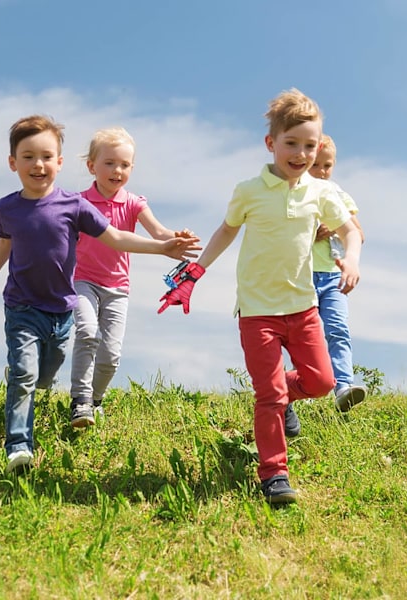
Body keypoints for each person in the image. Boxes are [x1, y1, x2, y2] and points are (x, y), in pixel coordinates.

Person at [0, 115, 200, 474]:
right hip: (21, 305)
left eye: (47, 156)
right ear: (12, 162)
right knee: (25, 376)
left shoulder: (75, 206)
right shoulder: (8, 207)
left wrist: (163, 248)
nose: (38, 164)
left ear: (60, 163)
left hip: (61, 310)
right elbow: (4, 242)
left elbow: (116, 237)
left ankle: (44, 382)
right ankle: (19, 445)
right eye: (28, 156)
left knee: (45, 375)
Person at [157, 89, 362, 504]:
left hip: (303, 309)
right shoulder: (249, 190)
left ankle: (283, 396)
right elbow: (227, 230)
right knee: (268, 396)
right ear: (272, 143)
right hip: (257, 314)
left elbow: (350, 231)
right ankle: (274, 475)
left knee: (321, 382)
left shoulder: (321, 193)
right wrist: (195, 273)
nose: (301, 153)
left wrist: (352, 258)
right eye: (292, 143)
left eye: (310, 145)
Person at [69, 127, 198, 427]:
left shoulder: (134, 203)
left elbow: (159, 232)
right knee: (87, 333)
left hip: (117, 288)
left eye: (125, 165)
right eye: (110, 163)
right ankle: (80, 400)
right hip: (81, 281)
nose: (117, 171)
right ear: (92, 166)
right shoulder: (78, 203)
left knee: (111, 354)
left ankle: (96, 399)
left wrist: (176, 237)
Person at [309, 134, 366, 412]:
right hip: (302, 276)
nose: (321, 171)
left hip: (332, 276)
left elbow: (359, 234)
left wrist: (334, 226)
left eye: (327, 165)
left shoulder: (337, 194)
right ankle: (307, 387)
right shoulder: (294, 194)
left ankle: (343, 386)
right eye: (315, 165)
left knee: (338, 329)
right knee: (305, 337)